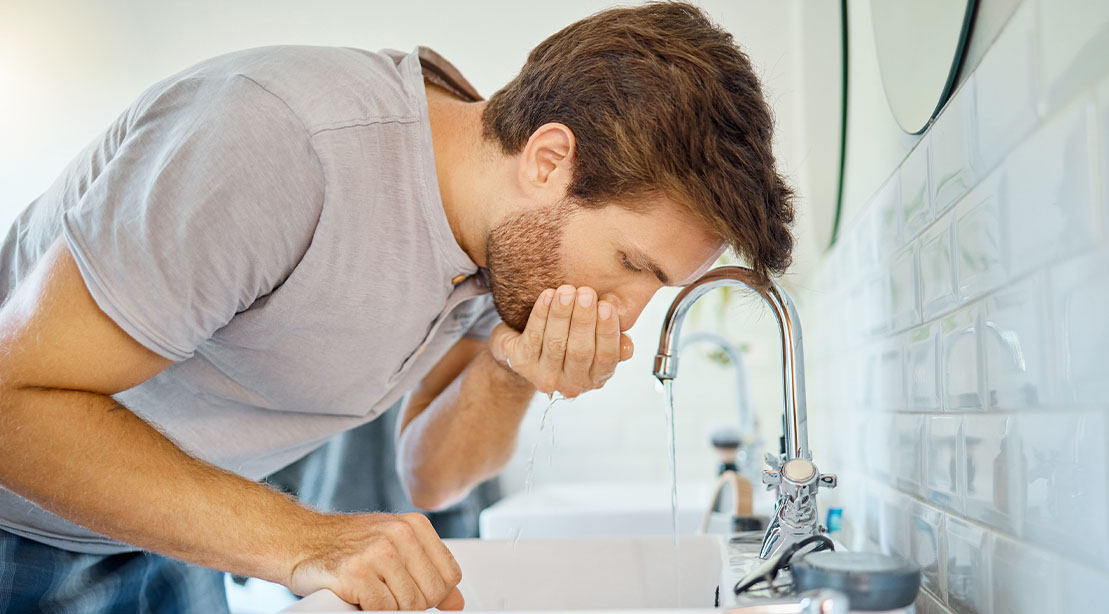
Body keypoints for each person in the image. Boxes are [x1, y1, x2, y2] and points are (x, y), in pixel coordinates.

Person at [0, 2, 795, 611]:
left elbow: (432, 473)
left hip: (167, 535)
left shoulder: (499, 246)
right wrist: (305, 538)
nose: (622, 317)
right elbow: (11, 407)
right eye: (631, 265)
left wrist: (512, 366)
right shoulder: (278, 141)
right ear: (549, 160)